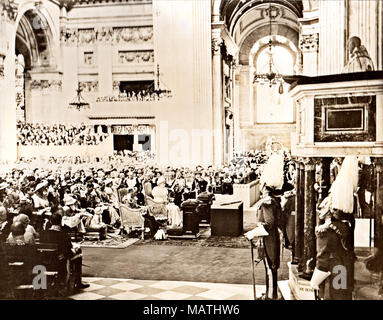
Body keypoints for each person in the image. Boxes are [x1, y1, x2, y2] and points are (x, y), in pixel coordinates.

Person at [40, 213, 89, 291]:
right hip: (60, 259)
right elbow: (68, 249)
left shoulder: (43, 234)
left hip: (45, 258)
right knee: (78, 254)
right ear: (60, 222)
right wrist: (75, 250)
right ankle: (78, 282)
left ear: (51, 222)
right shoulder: (63, 234)